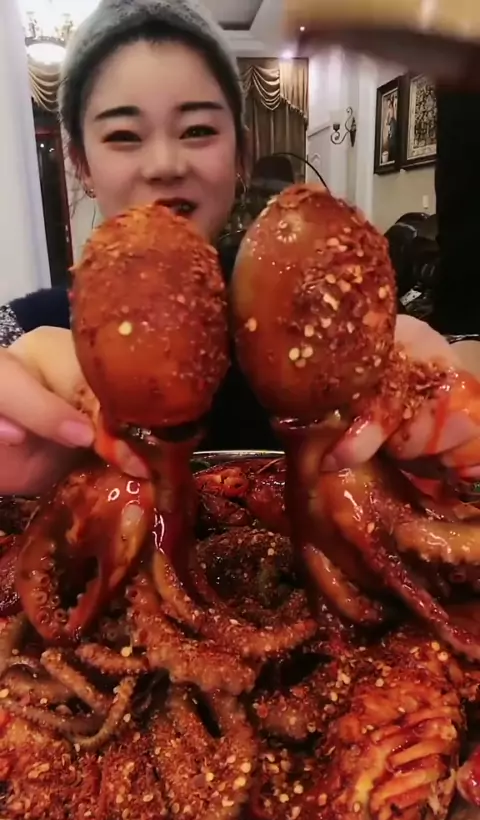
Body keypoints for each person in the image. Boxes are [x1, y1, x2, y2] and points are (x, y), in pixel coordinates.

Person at [0, 0, 479, 497]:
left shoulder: (330, 321)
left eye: (198, 130)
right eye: (123, 135)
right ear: (81, 163)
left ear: (240, 156)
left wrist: (443, 384)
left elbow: (458, 366)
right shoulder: (27, 325)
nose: (165, 164)